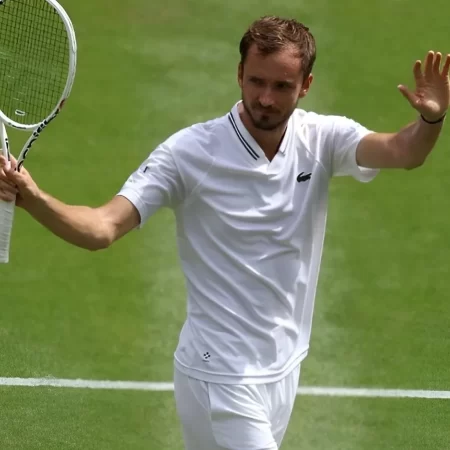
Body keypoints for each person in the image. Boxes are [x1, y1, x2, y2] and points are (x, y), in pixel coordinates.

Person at [0, 15, 449, 450]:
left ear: (306, 85)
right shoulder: (187, 154)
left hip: (283, 368)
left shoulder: (322, 138)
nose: (266, 99)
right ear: (239, 74)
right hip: (221, 376)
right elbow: (102, 228)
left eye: (281, 86)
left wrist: (430, 121)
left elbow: (403, 151)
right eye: (256, 81)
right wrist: (34, 197)